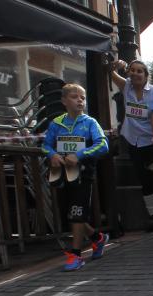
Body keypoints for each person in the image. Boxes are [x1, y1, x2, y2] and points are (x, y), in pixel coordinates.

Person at [42, 83, 109, 271]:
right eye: (74, 97)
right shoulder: (56, 123)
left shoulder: (90, 122)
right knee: (71, 214)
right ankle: (97, 238)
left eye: (82, 97)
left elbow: (103, 145)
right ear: (64, 101)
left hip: (83, 175)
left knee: (77, 213)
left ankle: (76, 255)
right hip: (62, 175)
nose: (80, 100)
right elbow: (45, 145)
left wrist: (79, 155)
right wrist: (52, 155)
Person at [109, 59, 153, 229]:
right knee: (144, 179)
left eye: (139, 71)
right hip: (134, 141)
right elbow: (110, 73)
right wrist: (115, 65)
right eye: (132, 70)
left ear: (146, 75)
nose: (135, 73)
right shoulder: (126, 87)